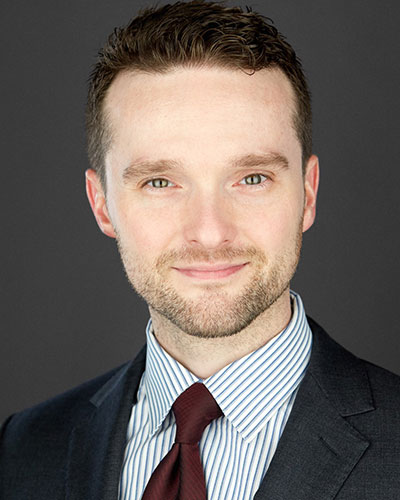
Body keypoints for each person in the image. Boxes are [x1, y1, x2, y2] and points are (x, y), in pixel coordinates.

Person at [1, 1, 399, 498]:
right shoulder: (22, 451)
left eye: (252, 178)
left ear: (308, 193)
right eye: (160, 182)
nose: (210, 233)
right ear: (101, 204)